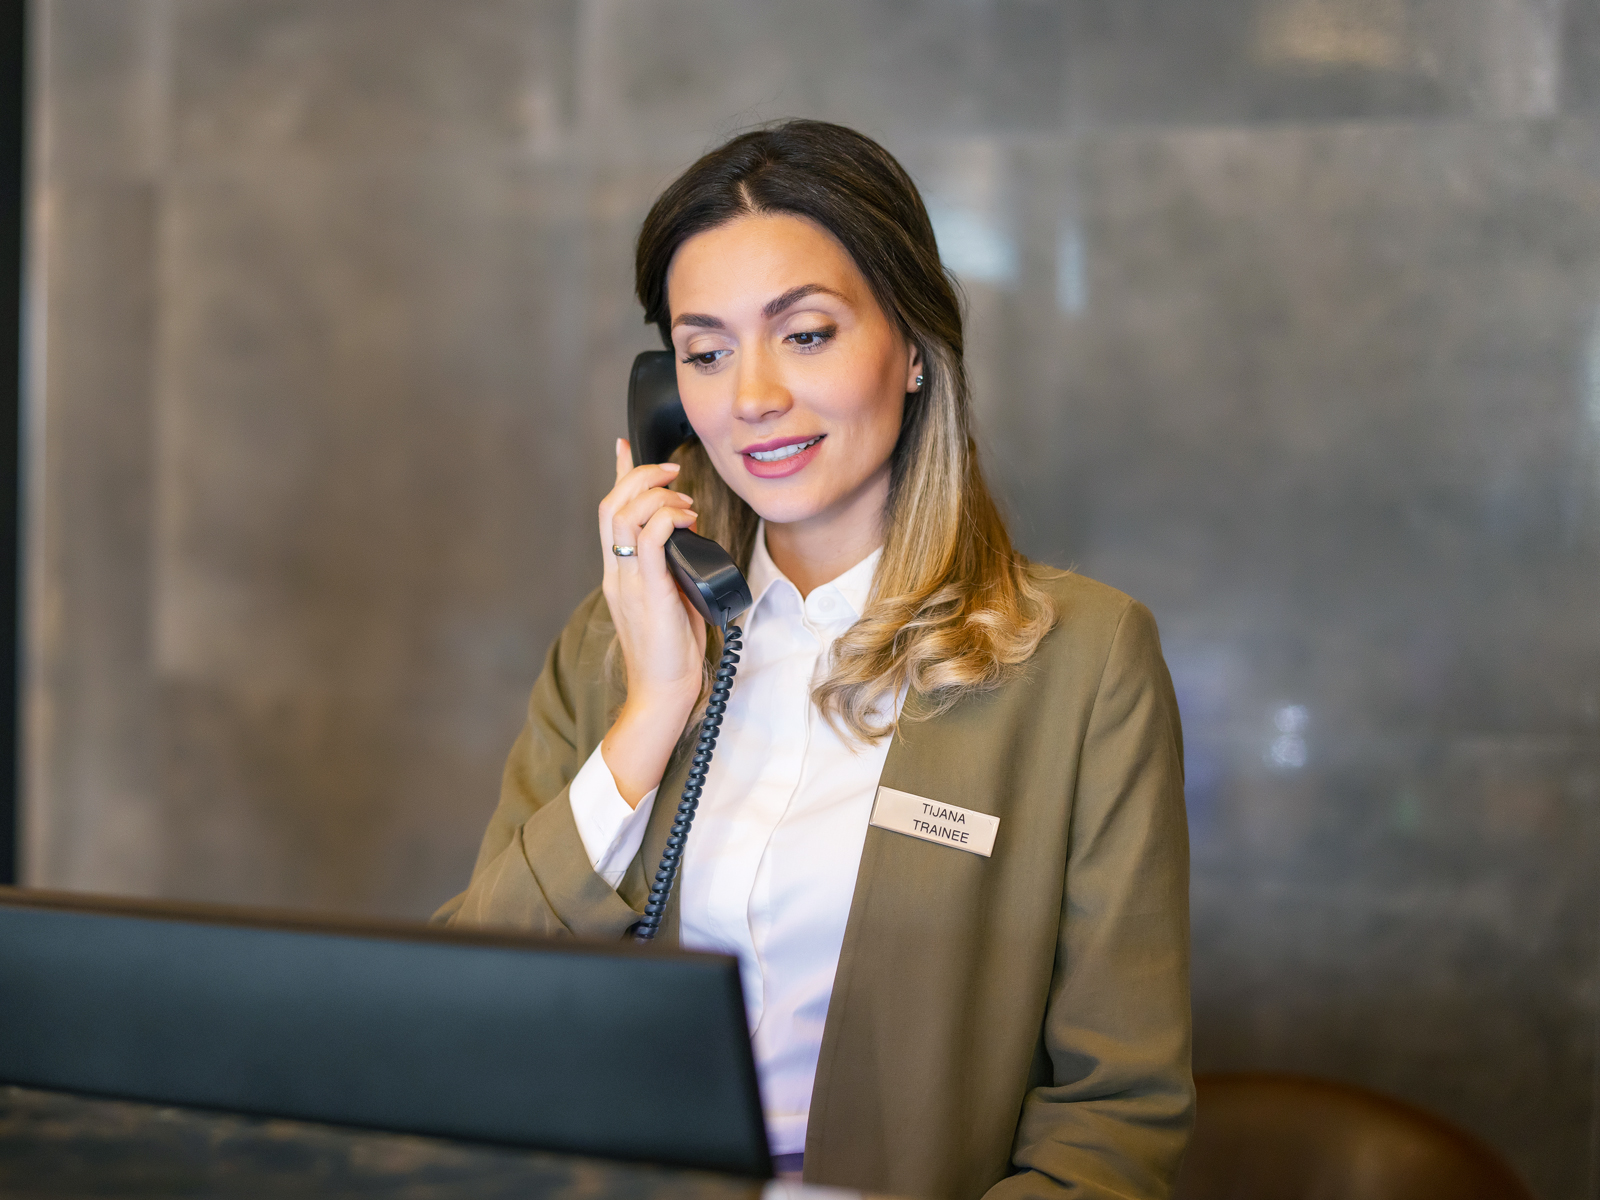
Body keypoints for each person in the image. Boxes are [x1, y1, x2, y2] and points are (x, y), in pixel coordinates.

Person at [436, 119, 1192, 1200]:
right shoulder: (614, 644)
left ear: (915, 350)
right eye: (705, 352)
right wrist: (653, 711)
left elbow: (1115, 1122)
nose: (750, 399)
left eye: (805, 335)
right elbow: (471, 1002)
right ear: (666, 395)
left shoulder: (1083, 661)